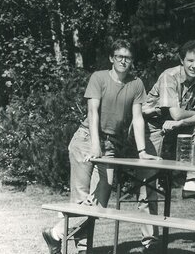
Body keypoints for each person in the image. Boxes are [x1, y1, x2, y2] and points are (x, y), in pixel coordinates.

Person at [42, 39, 159, 254]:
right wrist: (96, 145)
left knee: (99, 200)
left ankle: (55, 234)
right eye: (119, 56)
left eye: (128, 57)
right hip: (86, 139)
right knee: (81, 198)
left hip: (112, 145)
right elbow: (93, 112)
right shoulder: (99, 78)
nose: (124, 61)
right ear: (112, 58)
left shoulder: (136, 84)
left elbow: (138, 118)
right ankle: (82, 250)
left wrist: (143, 151)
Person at [137, 40, 195, 248]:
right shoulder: (169, 76)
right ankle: (150, 240)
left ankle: (194, 180)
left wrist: (183, 121)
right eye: (189, 60)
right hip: (153, 125)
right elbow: (175, 112)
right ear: (181, 60)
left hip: (178, 125)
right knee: (150, 181)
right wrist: (190, 116)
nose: (194, 65)